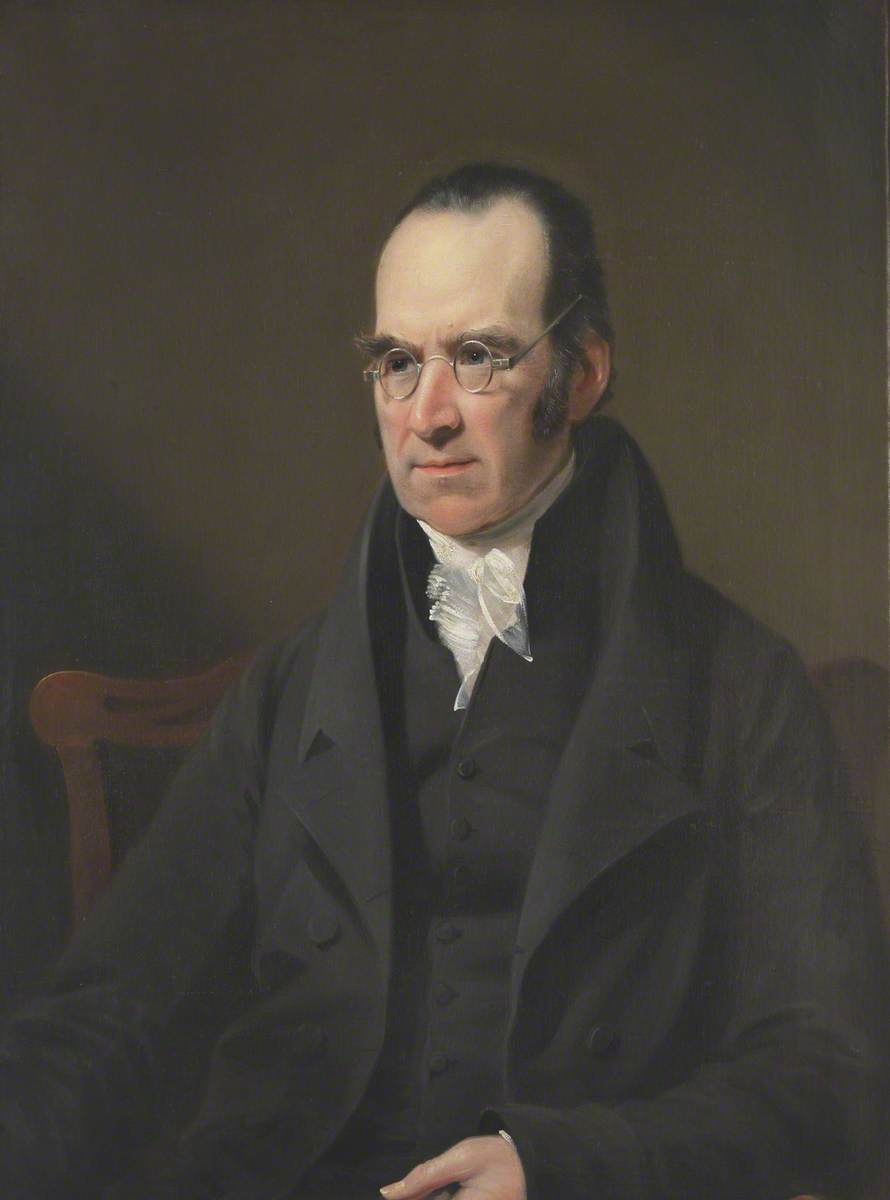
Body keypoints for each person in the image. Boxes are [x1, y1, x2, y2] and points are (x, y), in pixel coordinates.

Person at [1, 163, 887, 1200]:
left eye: (477, 358)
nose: (426, 415)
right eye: (395, 362)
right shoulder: (290, 690)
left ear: (582, 376)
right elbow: (113, 1009)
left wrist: (563, 1164)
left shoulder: (738, 686)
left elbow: (831, 1072)